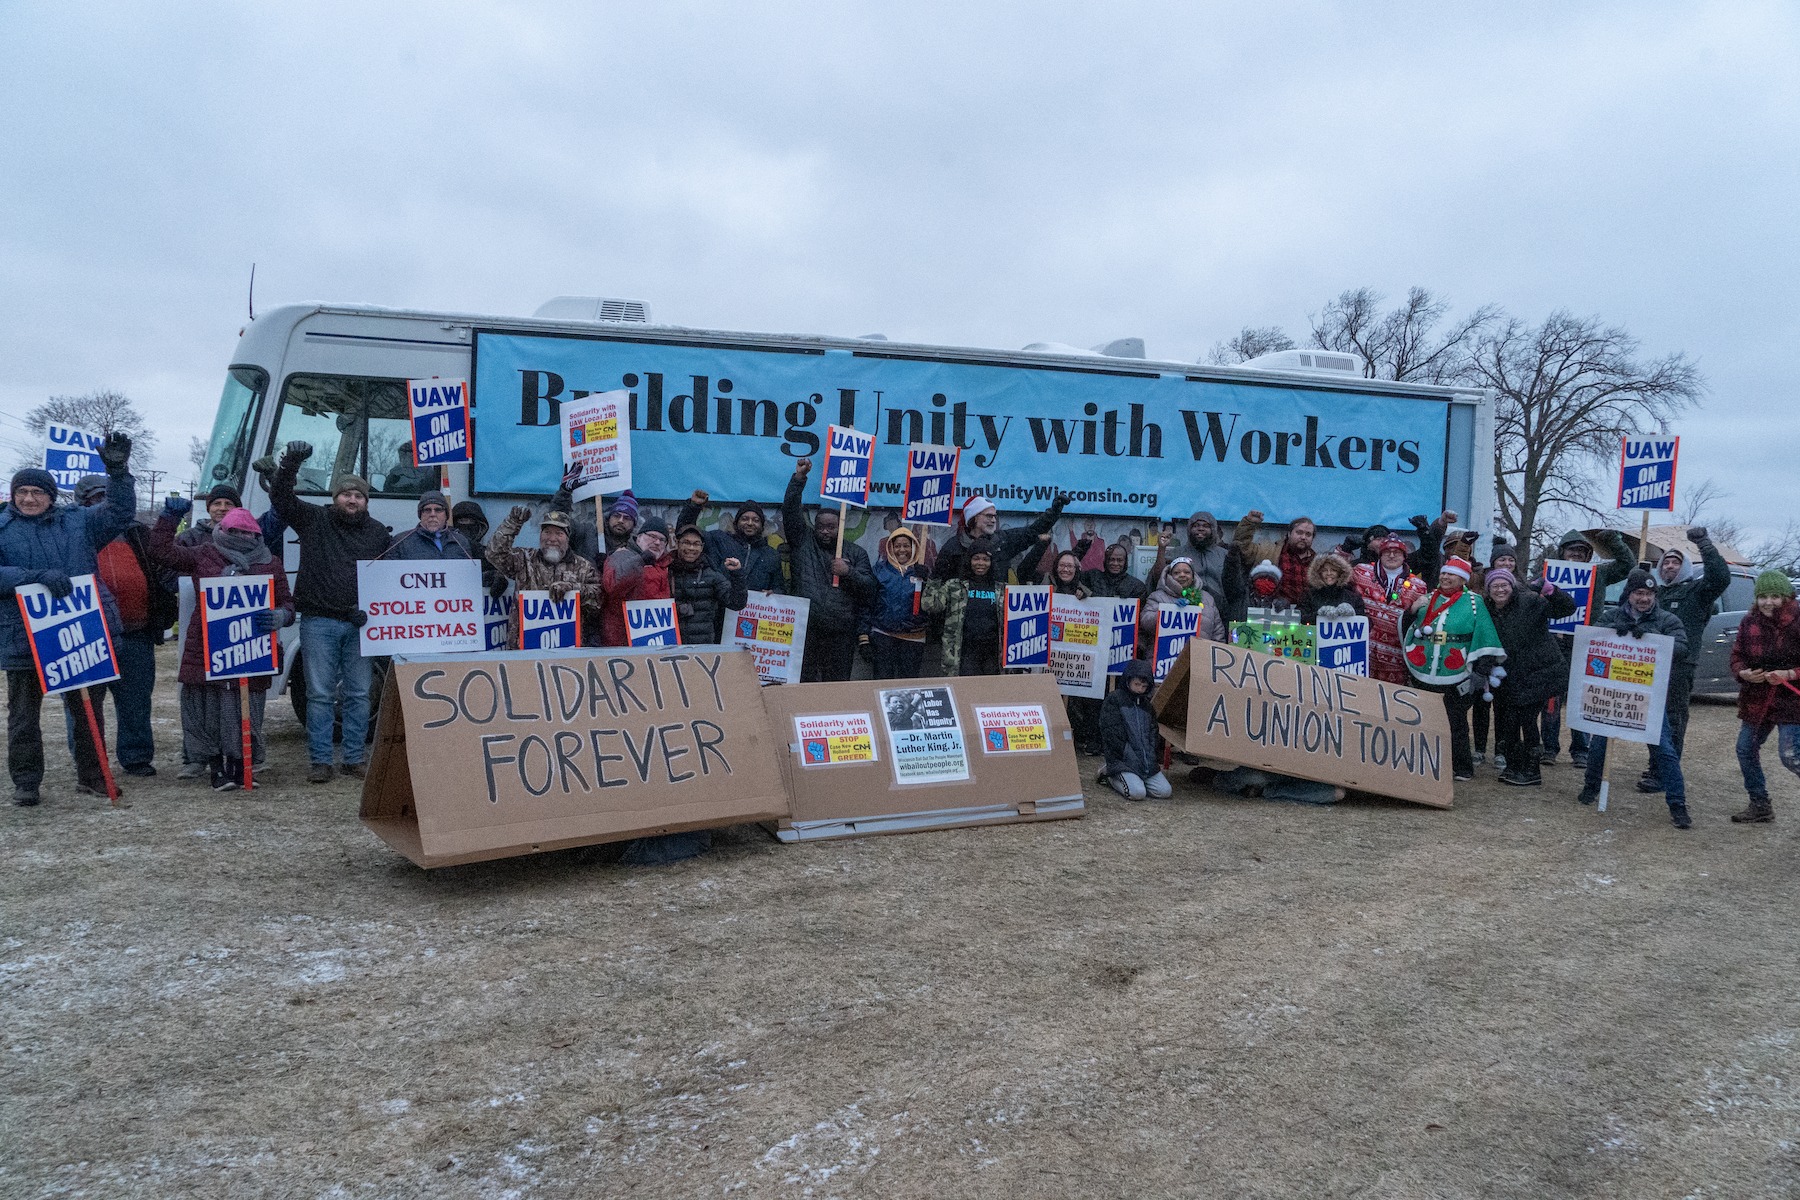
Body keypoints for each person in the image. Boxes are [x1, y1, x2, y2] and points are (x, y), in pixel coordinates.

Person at [1, 436, 137, 806]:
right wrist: (34, 577)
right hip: (23, 635)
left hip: (79, 632)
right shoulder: (2, 527)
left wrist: (119, 474)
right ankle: (26, 783)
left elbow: (120, 512)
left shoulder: (80, 523)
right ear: (13, 495)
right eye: (22, 492)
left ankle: (93, 777)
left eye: (37, 492)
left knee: (87, 710)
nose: (29, 499)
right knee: (23, 717)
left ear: (51, 496)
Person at [269, 441, 395, 784]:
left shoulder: (377, 532)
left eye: (359, 496)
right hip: (318, 622)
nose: (352, 500)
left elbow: (392, 577)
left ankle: (353, 759)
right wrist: (290, 465)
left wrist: (372, 612)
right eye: (346, 494)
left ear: (366, 501)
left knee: (359, 694)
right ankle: (321, 760)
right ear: (335, 497)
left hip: (359, 625)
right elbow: (281, 499)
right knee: (320, 695)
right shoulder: (314, 519)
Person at [151, 500, 294, 790]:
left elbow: (287, 603)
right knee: (210, 710)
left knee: (245, 710)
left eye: (249, 533)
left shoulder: (270, 561)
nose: (243, 537)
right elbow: (161, 552)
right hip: (208, 648)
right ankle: (217, 769)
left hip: (250, 649)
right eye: (236, 532)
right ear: (222, 531)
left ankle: (242, 767)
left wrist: (281, 615)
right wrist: (169, 517)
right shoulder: (204, 554)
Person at [71, 474, 176, 777]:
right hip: (88, 635)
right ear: (83, 503)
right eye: (96, 498)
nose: (104, 503)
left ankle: (136, 756)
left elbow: (161, 565)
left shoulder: (138, 532)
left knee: (136, 701)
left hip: (136, 632)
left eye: (108, 496)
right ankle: (89, 762)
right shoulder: (73, 534)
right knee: (84, 704)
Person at [1577, 570, 1692, 828]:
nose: (1644, 598)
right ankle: (1591, 786)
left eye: (1649, 594)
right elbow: (1591, 639)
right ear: (1629, 594)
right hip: (1612, 695)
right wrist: (1616, 633)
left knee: (1664, 749)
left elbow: (1683, 648)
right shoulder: (1611, 617)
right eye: (1639, 593)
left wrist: (1650, 639)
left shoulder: (1667, 619)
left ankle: (1678, 804)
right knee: (1599, 745)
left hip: (1649, 696)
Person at [1636, 527, 1730, 794]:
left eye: (1675, 562)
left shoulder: (1697, 592)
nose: (1669, 566)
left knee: (1673, 718)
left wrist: (1705, 545)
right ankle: (1657, 764)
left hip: (1679, 665)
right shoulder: (1655, 595)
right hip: (1650, 664)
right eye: (1666, 562)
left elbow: (1720, 577)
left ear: (1684, 567)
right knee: (1652, 716)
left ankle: (1666, 771)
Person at [1540, 526, 1637, 767]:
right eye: (1572, 550)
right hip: (1555, 645)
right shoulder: (1549, 575)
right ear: (1562, 553)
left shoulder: (1599, 574)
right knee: (1551, 700)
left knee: (1582, 700)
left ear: (1588, 555)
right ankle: (1549, 748)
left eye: (1582, 551)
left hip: (1586, 645)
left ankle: (1581, 750)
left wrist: (1612, 540)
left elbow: (1627, 564)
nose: (1576, 554)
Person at [1402, 556, 1505, 782]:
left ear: (1463, 579)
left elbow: (1486, 637)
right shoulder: (1428, 598)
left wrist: (1481, 671)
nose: (1445, 577)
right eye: (1443, 573)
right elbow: (1407, 628)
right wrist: (1411, 611)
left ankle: (1462, 767)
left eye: (1451, 574)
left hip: (1456, 672)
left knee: (1455, 721)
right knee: (1424, 720)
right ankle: (1425, 762)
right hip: (1424, 670)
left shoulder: (1475, 602)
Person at [782, 459, 877, 681]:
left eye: (831, 527)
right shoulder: (803, 542)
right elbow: (790, 511)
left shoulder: (856, 553)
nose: (825, 531)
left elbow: (870, 590)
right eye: (821, 527)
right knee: (803, 681)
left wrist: (848, 572)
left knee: (836, 683)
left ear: (840, 527)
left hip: (841, 633)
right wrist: (799, 479)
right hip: (806, 629)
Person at [1482, 567, 1574, 786]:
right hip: (1513, 674)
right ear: (1488, 590)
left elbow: (1566, 609)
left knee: (1527, 719)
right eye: (1495, 586)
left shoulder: (1529, 601)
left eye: (1504, 585)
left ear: (1512, 586)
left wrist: (1552, 591)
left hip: (1541, 672)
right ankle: (1514, 765)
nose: (1500, 590)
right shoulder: (1487, 610)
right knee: (1510, 721)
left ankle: (1532, 770)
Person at [1728, 571, 1800, 824]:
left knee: (1790, 755)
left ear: (1786, 597)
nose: (1768, 602)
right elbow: (1736, 656)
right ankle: (1760, 804)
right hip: (1757, 697)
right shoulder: (1749, 621)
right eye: (1763, 597)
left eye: (1775, 596)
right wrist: (1744, 673)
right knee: (1745, 749)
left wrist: (1790, 674)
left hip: (1793, 701)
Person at [488, 507, 604, 646]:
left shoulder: (583, 567)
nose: (552, 539)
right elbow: (494, 554)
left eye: (559, 533)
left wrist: (572, 589)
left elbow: (598, 600)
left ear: (568, 538)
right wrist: (512, 523)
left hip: (568, 650)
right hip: (522, 650)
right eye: (547, 532)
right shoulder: (524, 559)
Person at [933, 492, 1070, 581]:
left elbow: (1032, 532)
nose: (993, 520)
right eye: (988, 516)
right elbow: (937, 584)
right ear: (974, 518)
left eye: (994, 516)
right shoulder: (953, 548)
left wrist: (1054, 512)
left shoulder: (1003, 541)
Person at [1354, 533, 1432, 686]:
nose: (1391, 555)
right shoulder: (1361, 572)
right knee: (1360, 693)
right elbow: (1336, 574)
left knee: (1392, 697)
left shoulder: (1418, 586)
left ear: (1404, 556)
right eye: (1387, 552)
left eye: (1396, 552)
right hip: (1362, 651)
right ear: (1380, 554)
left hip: (1396, 657)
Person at [922, 539, 1006, 676]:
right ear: (969, 561)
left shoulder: (1002, 589)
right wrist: (935, 577)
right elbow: (930, 605)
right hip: (962, 654)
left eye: (985, 559)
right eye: (976, 558)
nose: (980, 563)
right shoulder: (955, 586)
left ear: (992, 563)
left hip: (993, 655)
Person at [677, 490, 784, 595]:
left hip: (754, 606)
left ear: (762, 526)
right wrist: (694, 506)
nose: (750, 523)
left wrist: (774, 594)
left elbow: (779, 588)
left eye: (756, 520)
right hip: (717, 604)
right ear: (736, 523)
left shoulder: (771, 555)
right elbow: (685, 532)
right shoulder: (718, 539)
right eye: (745, 519)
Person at [1048, 550, 1102, 754]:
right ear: (1056, 567)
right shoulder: (1046, 586)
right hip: (1050, 655)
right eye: (1062, 565)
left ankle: (1079, 736)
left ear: (1077, 569)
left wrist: (1086, 597)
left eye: (1070, 566)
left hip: (1075, 657)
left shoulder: (1084, 591)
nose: (1065, 569)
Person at [1098, 659, 1170, 801]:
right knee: (1137, 793)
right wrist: (1131, 758)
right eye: (1137, 684)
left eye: (1144, 686)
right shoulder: (1114, 700)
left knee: (1165, 791)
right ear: (1128, 680)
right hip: (1122, 760)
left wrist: (1151, 756)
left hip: (1146, 762)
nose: (1140, 689)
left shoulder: (1147, 706)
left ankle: (1134, 778)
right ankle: (1109, 776)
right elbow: (1113, 735)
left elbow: (1153, 734)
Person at [599, 517, 675, 647]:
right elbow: (612, 584)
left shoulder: (666, 566)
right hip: (623, 640)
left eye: (662, 540)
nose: (657, 542)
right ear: (639, 537)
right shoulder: (622, 555)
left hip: (657, 638)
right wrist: (640, 561)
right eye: (652, 536)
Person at [866, 526, 929, 679]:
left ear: (913, 547)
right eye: (897, 546)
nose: (902, 550)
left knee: (907, 684)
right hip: (884, 635)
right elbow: (867, 603)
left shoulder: (922, 572)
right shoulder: (879, 571)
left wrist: (927, 581)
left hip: (913, 638)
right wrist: (863, 636)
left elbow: (931, 603)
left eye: (906, 545)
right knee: (882, 681)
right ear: (890, 548)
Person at [669, 523, 746, 644]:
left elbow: (737, 603)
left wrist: (737, 574)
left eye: (696, 544)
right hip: (669, 645)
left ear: (702, 547)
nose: (691, 548)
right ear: (677, 543)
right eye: (686, 542)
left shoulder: (712, 575)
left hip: (702, 648)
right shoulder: (665, 571)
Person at [550, 468, 639, 567]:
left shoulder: (634, 551)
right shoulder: (587, 534)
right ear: (609, 517)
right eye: (617, 515)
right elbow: (557, 520)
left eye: (627, 518)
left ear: (634, 523)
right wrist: (565, 492)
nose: (620, 520)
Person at [1232, 511, 1316, 608]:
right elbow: (1242, 548)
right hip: (1273, 610)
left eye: (1308, 534)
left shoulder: (1318, 563)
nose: (1303, 537)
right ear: (1289, 533)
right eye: (1299, 532)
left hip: (1307, 614)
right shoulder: (1269, 552)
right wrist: (1249, 524)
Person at [1140, 557, 1227, 645]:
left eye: (1187, 572)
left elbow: (1218, 632)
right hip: (1166, 652)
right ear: (1169, 576)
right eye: (1176, 573)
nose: (1182, 575)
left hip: (1199, 652)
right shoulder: (1157, 597)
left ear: (1193, 576)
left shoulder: (1207, 598)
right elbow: (1145, 622)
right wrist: (1169, 611)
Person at [385, 491, 476, 561]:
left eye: (438, 510)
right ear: (420, 514)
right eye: (427, 510)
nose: (432, 514)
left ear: (446, 515)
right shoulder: (400, 542)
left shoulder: (460, 542)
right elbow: (389, 574)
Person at [451, 501, 510, 598]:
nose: (467, 525)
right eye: (462, 520)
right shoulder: (443, 550)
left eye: (471, 521)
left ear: (480, 526)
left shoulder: (487, 556)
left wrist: (495, 577)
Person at [1299, 552, 1366, 623]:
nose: (1329, 573)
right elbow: (1300, 618)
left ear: (1340, 572)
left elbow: (1366, 623)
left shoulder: (1353, 596)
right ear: (1318, 573)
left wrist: (1353, 615)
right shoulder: (1308, 595)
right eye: (1324, 570)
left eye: (1334, 570)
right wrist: (1317, 615)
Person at [175, 483, 243, 548]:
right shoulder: (189, 537)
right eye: (217, 503)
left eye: (228, 504)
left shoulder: (245, 537)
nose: (222, 508)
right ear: (208, 508)